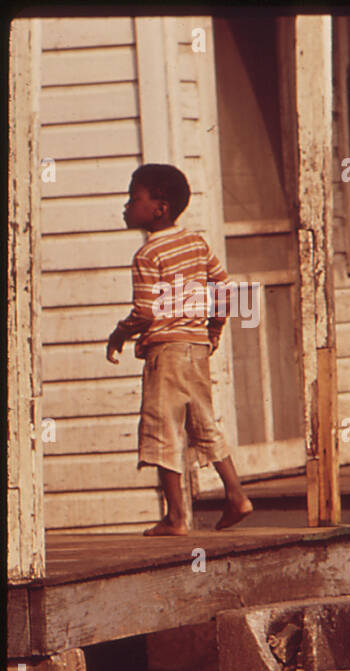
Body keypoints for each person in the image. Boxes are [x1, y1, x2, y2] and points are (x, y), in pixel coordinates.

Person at [107, 164, 252, 535]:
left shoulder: (147, 256)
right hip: (196, 347)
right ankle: (236, 495)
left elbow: (144, 311)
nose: (126, 206)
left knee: (162, 427)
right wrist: (214, 330)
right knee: (203, 421)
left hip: (167, 353)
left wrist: (119, 334)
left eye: (134, 198)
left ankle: (176, 517)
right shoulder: (197, 243)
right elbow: (224, 288)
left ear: (160, 207)